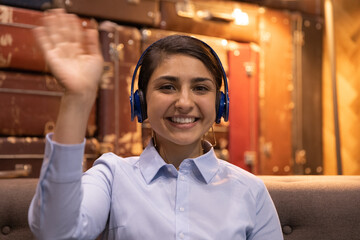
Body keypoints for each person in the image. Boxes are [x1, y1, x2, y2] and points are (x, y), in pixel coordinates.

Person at [28, 9, 283, 240]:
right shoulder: (112, 175)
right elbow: (56, 233)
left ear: (220, 104)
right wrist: (77, 98)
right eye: (167, 87)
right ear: (141, 102)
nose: (184, 102)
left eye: (200, 88)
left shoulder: (251, 192)